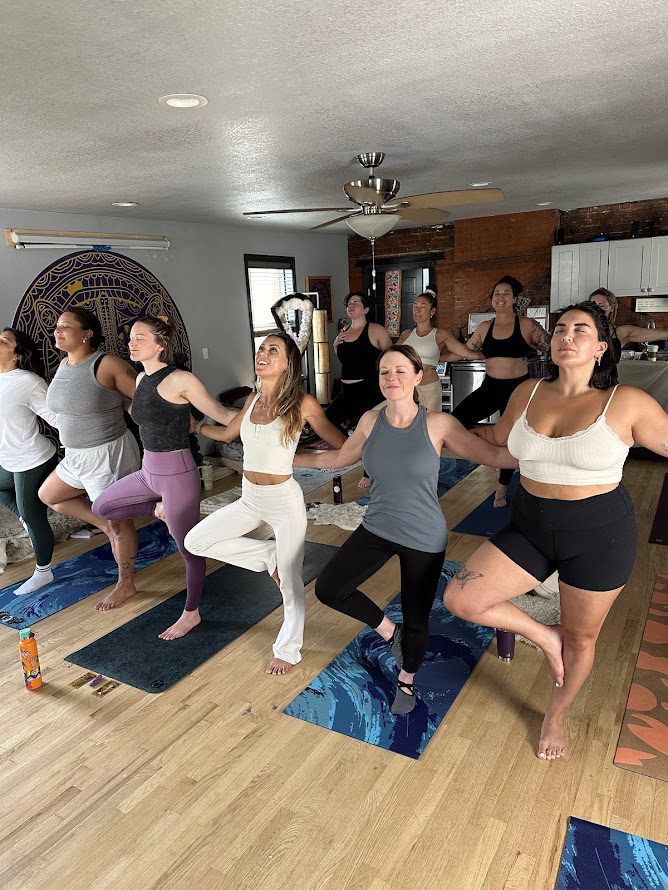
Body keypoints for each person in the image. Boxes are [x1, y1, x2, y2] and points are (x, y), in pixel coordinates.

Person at [443, 301, 668, 760]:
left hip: (599, 536)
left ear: (601, 347)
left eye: (580, 329)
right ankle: (544, 636)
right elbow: (502, 447)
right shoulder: (527, 392)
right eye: (561, 328)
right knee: (461, 599)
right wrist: (445, 430)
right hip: (530, 525)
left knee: (581, 638)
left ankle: (555, 716)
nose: (566, 335)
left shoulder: (625, 402)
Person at [294, 344, 518, 714]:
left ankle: (406, 678)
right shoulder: (370, 421)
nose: (392, 378)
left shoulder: (438, 424)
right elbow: (339, 457)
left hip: (423, 537)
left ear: (418, 377)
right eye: (385, 371)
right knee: (330, 588)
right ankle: (389, 631)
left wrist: (544, 453)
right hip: (377, 526)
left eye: (401, 371)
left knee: (417, 620)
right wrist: (290, 459)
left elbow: (494, 456)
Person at [184, 332, 347, 674]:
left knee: (290, 582)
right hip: (249, 498)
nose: (264, 353)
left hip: (283, 501)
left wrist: (303, 459)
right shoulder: (253, 399)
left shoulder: (303, 404)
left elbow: (341, 445)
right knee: (195, 541)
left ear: (288, 363)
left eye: (274, 350)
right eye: (262, 348)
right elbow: (228, 433)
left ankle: (288, 649)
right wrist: (197, 426)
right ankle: (268, 556)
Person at [91, 317, 239, 639]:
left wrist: (262, 411)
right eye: (131, 337)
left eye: (140, 338)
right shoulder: (141, 377)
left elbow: (224, 415)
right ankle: (159, 509)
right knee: (102, 507)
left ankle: (191, 613)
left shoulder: (181, 380)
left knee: (188, 549)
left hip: (177, 476)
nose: (131, 343)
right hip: (148, 473)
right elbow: (145, 413)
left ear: (160, 345)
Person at [38, 308, 141, 610]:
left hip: (107, 453)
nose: (58, 330)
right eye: (57, 326)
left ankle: (126, 584)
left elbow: (143, 397)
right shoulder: (64, 364)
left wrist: (128, 408)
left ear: (87, 334)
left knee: (119, 523)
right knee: (50, 495)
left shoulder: (107, 364)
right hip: (76, 455)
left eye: (65, 326)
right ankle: (104, 525)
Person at [453, 276, 549, 507]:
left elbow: (551, 347)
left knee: (511, 439)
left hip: (518, 391)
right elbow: (466, 351)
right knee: (455, 422)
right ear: (492, 299)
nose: (501, 297)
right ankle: (493, 454)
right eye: (497, 293)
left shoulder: (526, 325)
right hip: (490, 388)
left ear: (514, 299)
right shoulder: (484, 328)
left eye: (506, 293)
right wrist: (432, 355)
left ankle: (502, 488)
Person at [0, 328, 60, 595]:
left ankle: (43, 572)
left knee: (33, 516)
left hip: (31, 459)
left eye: (4, 341)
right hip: (7, 459)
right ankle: (27, 519)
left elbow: (55, 417)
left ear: (16, 355)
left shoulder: (28, 381)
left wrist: (78, 446)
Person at [327, 291, 392, 489]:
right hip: (346, 391)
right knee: (327, 420)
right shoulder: (344, 331)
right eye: (349, 303)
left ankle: (369, 472)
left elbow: (391, 356)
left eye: (356, 302)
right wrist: (335, 344)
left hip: (368, 390)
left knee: (370, 431)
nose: (351, 305)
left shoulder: (375, 330)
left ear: (366, 309)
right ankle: (352, 451)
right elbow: (346, 359)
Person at [396, 290, 483, 411]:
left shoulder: (440, 334)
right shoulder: (406, 334)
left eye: (423, 306)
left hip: (429, 388)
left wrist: (488, 355)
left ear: (432, 311)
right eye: (415, 306)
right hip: (406, 389)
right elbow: (392, 357)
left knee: (430, 421)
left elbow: (465, 353)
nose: (417, 310)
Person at [589, 287, 668, 361]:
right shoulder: (582, 329)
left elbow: (662, 334)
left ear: (612, 308)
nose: (595, 309)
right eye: (591, 305)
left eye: (601, 305)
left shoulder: (620, 333)